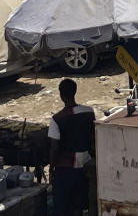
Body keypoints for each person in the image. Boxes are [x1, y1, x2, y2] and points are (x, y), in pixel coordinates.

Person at [49, 79, 95, 216]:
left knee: (63, 206)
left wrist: (52, 167)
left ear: (61, 95)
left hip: (65, 168)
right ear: (75, 92)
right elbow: (93, 136)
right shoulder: (89, 112)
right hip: (85, 163)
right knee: (79, 204)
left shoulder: (56, 119)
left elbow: (54, 147)